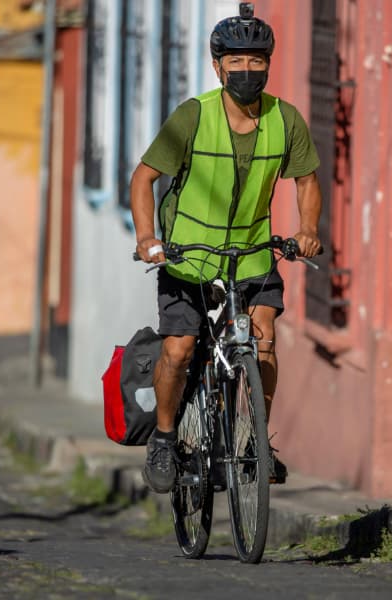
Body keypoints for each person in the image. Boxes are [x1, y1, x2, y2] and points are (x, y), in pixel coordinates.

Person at [130, 3, 322, 495]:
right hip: (189, 254)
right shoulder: (194, 116)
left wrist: (307, 229)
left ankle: (253, 436)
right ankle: (166, 439)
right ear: (217, 66)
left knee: (263, 337)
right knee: (180, 348)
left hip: (253, 251)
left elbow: (307, 181)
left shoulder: (286, 119)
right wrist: (148, 239)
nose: (246, 70)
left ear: (268, 64)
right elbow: (144, 178)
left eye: (257, 61)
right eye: (235, 61)